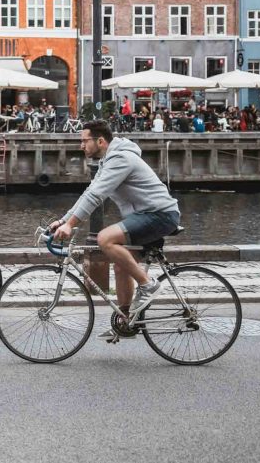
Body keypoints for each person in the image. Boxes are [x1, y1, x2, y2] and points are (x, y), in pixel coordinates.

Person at [51, 121, 181, 328]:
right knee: (121, 264)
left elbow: (96, 196)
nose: (81, 145)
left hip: (160, 214)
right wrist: (64, 221)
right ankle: (127, 321)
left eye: (84, 140)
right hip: (144, 215)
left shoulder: (121, 159)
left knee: (105, 238)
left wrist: (71, 224)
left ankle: (148, 285)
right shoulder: (108, 161)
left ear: (100, 141)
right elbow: (89, 192)